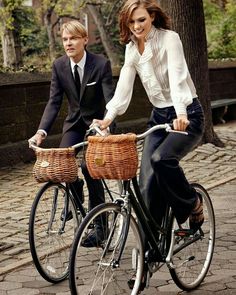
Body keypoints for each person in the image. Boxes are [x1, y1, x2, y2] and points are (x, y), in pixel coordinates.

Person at [92, 0, 205, 288]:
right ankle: (148, 262)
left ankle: (192, 203)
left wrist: (181, 114)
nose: (137, 27)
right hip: (158, 116)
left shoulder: (170, 39)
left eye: (141, 20)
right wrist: (107, 118)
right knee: (144, 187)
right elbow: (123, 89)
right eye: (132, 23)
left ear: (152, 16)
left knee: (161, 161)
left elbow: (179, 79)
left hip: (186, 114)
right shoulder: (132, 49)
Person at [29, 20, 114, 233]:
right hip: (74, 124)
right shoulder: (59, 66)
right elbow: (54, 102)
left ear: (85, 40)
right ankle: (76, 193)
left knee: (89, 168)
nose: (69, 43)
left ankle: (100, 227)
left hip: (98, 126)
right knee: (64, 165)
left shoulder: (101, 63)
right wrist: (41, 132)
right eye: (65, 39)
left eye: (74, 38)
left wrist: (106, 125)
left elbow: (111, 99)